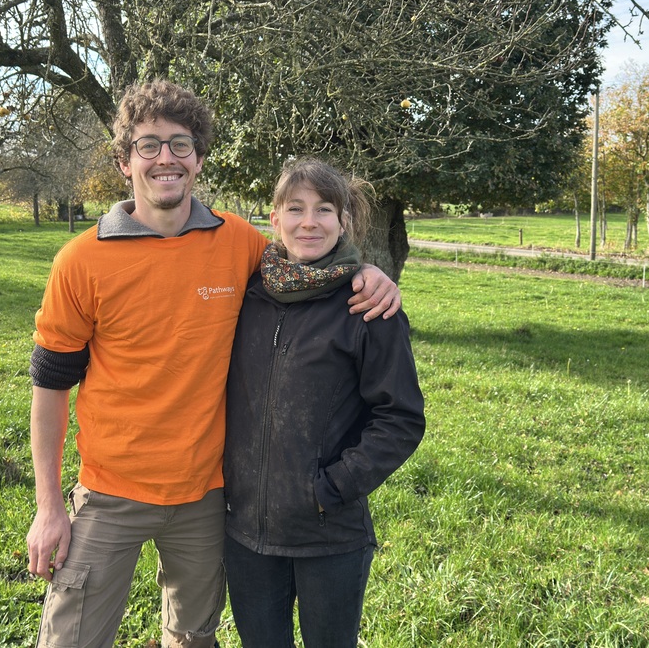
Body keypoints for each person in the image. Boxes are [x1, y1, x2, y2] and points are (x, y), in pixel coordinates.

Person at [25, 80, 402, 648]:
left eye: (181, 144)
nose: (166, 158)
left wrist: (365, 271)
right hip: (109, 494)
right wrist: (49, 506)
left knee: (193, 639)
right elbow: (50, 385)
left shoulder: (238, 244)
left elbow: (306, 260)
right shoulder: (81, 260)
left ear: (199, 158)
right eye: (148, 145)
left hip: (206, 498)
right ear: (125, 161)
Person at [223, 158, 426, 648]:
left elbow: (400, 418)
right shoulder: (246, 295)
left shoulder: (367, 306)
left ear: (344, 221)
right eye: (295, 208)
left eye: (324, 209)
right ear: (275, 218)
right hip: (246, 533)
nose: (309, 222)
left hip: (328, 532)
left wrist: (332, 487)